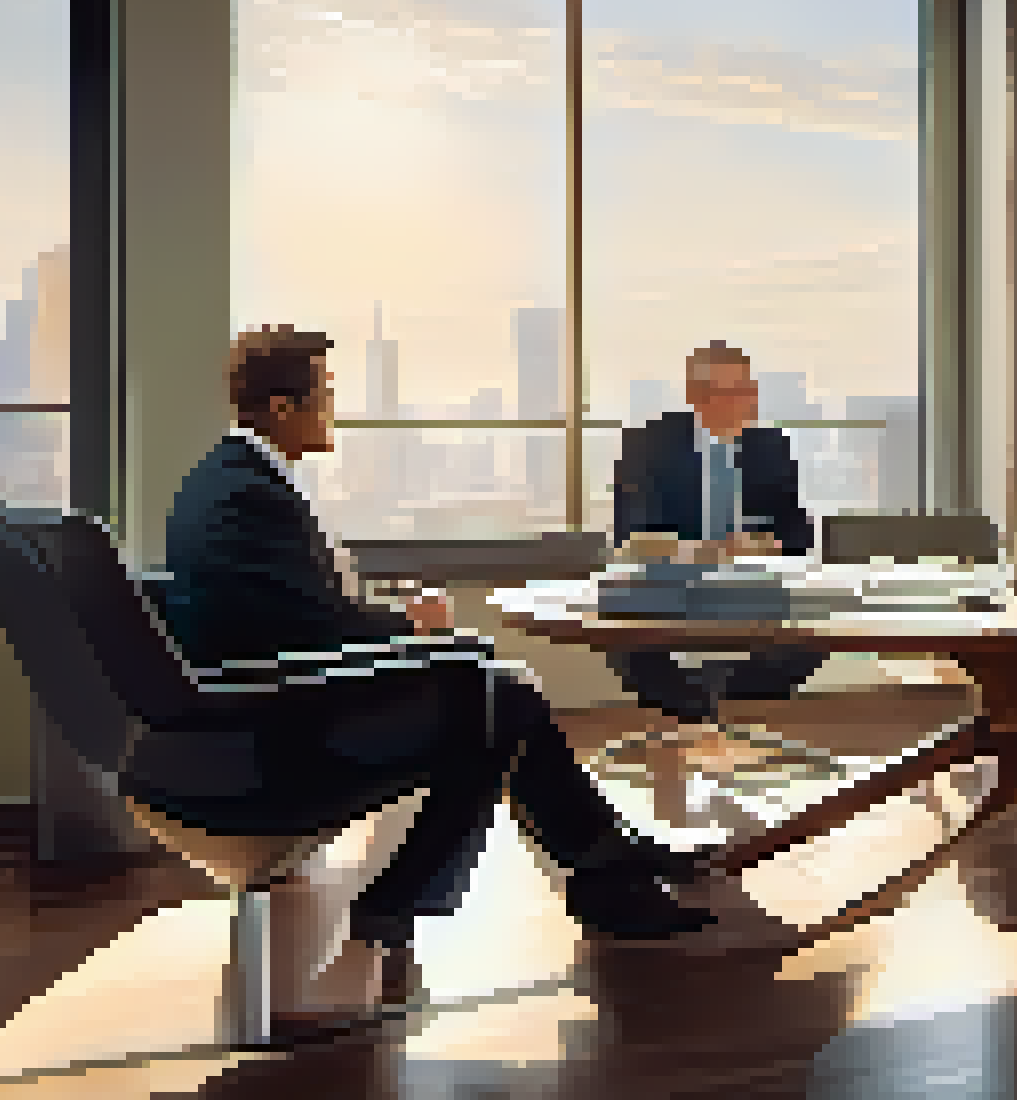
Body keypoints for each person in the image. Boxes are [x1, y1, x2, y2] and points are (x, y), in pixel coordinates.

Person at [140, 326, 714, 1018]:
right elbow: (304, 628)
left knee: (501, 694)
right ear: (282, 408)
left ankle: (603, 872)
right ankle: (568, 877)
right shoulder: (245, 493)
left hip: (270, 700)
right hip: (282, 725)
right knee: (496, 698)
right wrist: (410, 626)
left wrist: (398, 621)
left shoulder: (232, 479)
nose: (335, 409)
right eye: (324, 395)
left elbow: (297, 612)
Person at [608, 341, 827, 722]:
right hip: (672, 587)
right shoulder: (649, 445)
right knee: (624, 630)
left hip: (754, 589)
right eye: (732, 393)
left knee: (816, 630)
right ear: (697, 397)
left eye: (749, 391)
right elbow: (635, 537)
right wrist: (713, 551)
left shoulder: (770, 446)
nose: (746, 404)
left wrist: (771, 546)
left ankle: (721, 702)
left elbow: (797, 532)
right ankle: (701, 708)